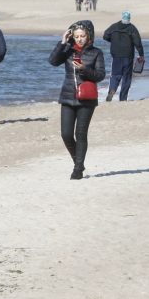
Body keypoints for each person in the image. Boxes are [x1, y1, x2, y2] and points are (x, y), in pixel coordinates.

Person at [49, 20, 106, 180]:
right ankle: (79, 163)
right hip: (67, 96)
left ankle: (77, 169)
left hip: (87, 98)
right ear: (72, 36)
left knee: (80, 134)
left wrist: (85, 69)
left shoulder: (96, 53)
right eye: (77, 36)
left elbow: (100, 75)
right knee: (66, 134)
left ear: (88, 36)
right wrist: (62, 42)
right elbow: (53, 61)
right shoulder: (67, 50)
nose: (80, 39)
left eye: (83, 36)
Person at [102, 11, 145, 101]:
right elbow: (138, 43)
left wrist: (114, 41)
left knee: (115, 75)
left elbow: (105, 35)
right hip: (127, 56)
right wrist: (141, 54)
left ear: (122, 17)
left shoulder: (114, 26)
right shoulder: (132, 28)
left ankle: (112, 90)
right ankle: (123, 98)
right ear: (129, 18)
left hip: (116, 56)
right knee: (127, 77)